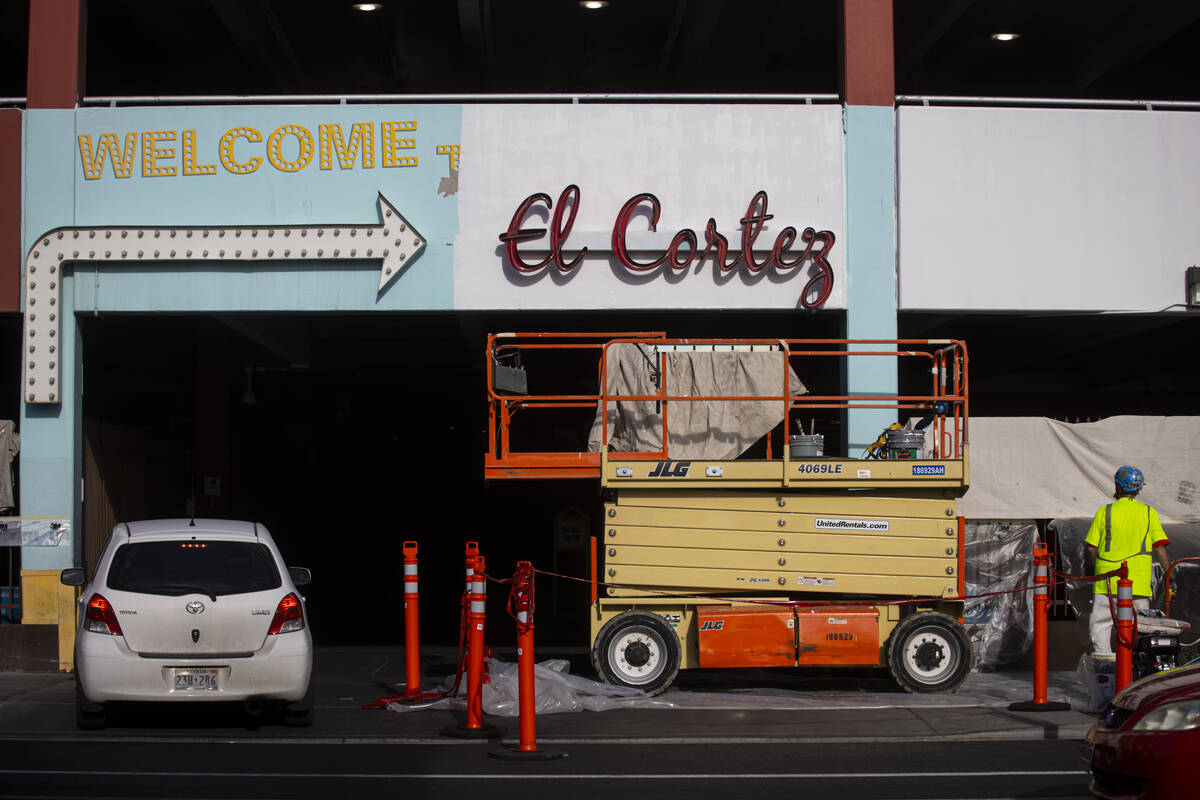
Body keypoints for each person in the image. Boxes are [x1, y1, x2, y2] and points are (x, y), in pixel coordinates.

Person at [1085, 465, 1171, 658]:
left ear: (1118, 485)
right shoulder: (1148, 512)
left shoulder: (1104, 511)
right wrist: (1170, 576)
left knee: (1101, 624)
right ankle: (1136, 664)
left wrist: (1089, 570)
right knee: (1140, 626)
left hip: (1106, 582)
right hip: (1138, 583)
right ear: (1138, 488)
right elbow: (1160, 548)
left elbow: (1091, 548)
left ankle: (1104, 662)